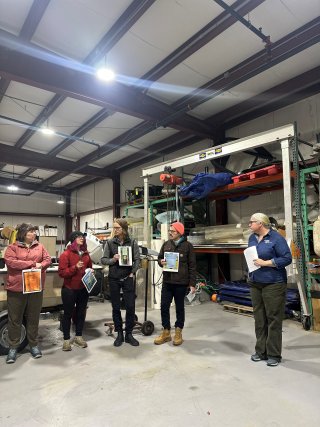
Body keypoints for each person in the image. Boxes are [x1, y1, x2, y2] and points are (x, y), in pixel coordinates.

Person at [247, 212, 292, 367]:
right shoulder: (252, 238)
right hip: (255, 282)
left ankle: (274, 354)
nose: (249, 224)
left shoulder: (276, 238)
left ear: (260, 223)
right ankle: (261, 351)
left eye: (251, 222)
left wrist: (265, 263)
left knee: (273, 318)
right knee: (259, 318)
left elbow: (287, 258)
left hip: (273, 283)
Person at [4, 223, 51, 364]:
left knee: (33, 318)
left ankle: (34, 345)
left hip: (35, 287)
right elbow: (11, 262)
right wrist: (31, 264)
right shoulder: (12, 247)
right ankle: (13, 347)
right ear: (23, 233)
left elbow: (47, 260)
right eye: (31, 232)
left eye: (34, 232)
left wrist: (41, 265)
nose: (34, 234)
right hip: (16, 288)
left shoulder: (40, 247)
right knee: (15, 319)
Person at [154, 221, 196, 346]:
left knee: (179, 308)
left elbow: (192, 266)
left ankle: (178, 332)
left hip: (181, 283)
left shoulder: (188, 246)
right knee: (164, 306)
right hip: (167, 281)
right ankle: (166, 332)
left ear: (180, 233)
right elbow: (159, 258)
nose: (170, 233)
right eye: (170, 231)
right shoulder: (166, 244)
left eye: (172, 231)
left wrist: (192, 283)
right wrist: (161, 262)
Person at [101, 218, 140, 347]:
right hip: (114, 279)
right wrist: (113, 259)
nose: (115, 230)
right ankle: (120, 334)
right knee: (116, 307)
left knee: (130, 306)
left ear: (123, 228)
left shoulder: (132, 242)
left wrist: (132, 272)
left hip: (127, 278)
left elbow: (137, 259)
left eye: (117, 228)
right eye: (114, 228)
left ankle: (129, 334)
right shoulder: (110, 243)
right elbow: (103, 260)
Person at [58, 231, 93, 351]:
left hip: (83, 289)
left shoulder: (86, 253)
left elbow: (90, 267)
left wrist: (90, 271)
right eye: (78, 237)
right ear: (73, 239)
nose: (81, 238)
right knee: (67, 314)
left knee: (81, 313)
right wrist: (75, 267)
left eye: (82, 237)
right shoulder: (65, 254)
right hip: (69, 290)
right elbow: (62, 273)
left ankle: (78, 337)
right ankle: (66, 340)